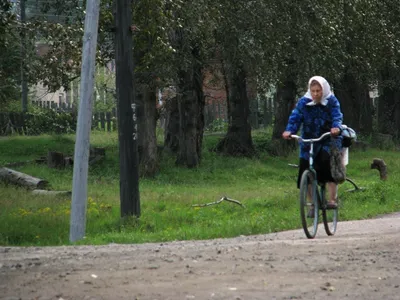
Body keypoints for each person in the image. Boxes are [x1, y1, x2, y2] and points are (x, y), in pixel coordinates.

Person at [282, 76, 343, 209]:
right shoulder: (304, 102)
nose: (315, 94)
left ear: (324, 90)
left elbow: (337, 116)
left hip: (328, 138)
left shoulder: (331, 101)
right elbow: (296, 117)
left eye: (318, 91)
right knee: (305, 167)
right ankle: (312, 204)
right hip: (309, 140)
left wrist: (336, 128)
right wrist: (289, 131)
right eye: (313, 91)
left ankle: (332, 199)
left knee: (327, 162)